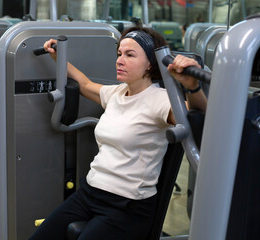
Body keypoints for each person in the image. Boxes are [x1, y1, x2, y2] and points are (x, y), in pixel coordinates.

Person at [29, 26, 207, 240]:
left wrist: (193, 87)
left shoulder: (161, 100)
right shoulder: (117, 93)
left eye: (130, 55)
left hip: (127, 206)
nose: (120, 60)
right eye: (119, 54)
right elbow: (84, 84)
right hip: (89, 193)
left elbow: (200, 118)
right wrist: (59, 58)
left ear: (150, 64)